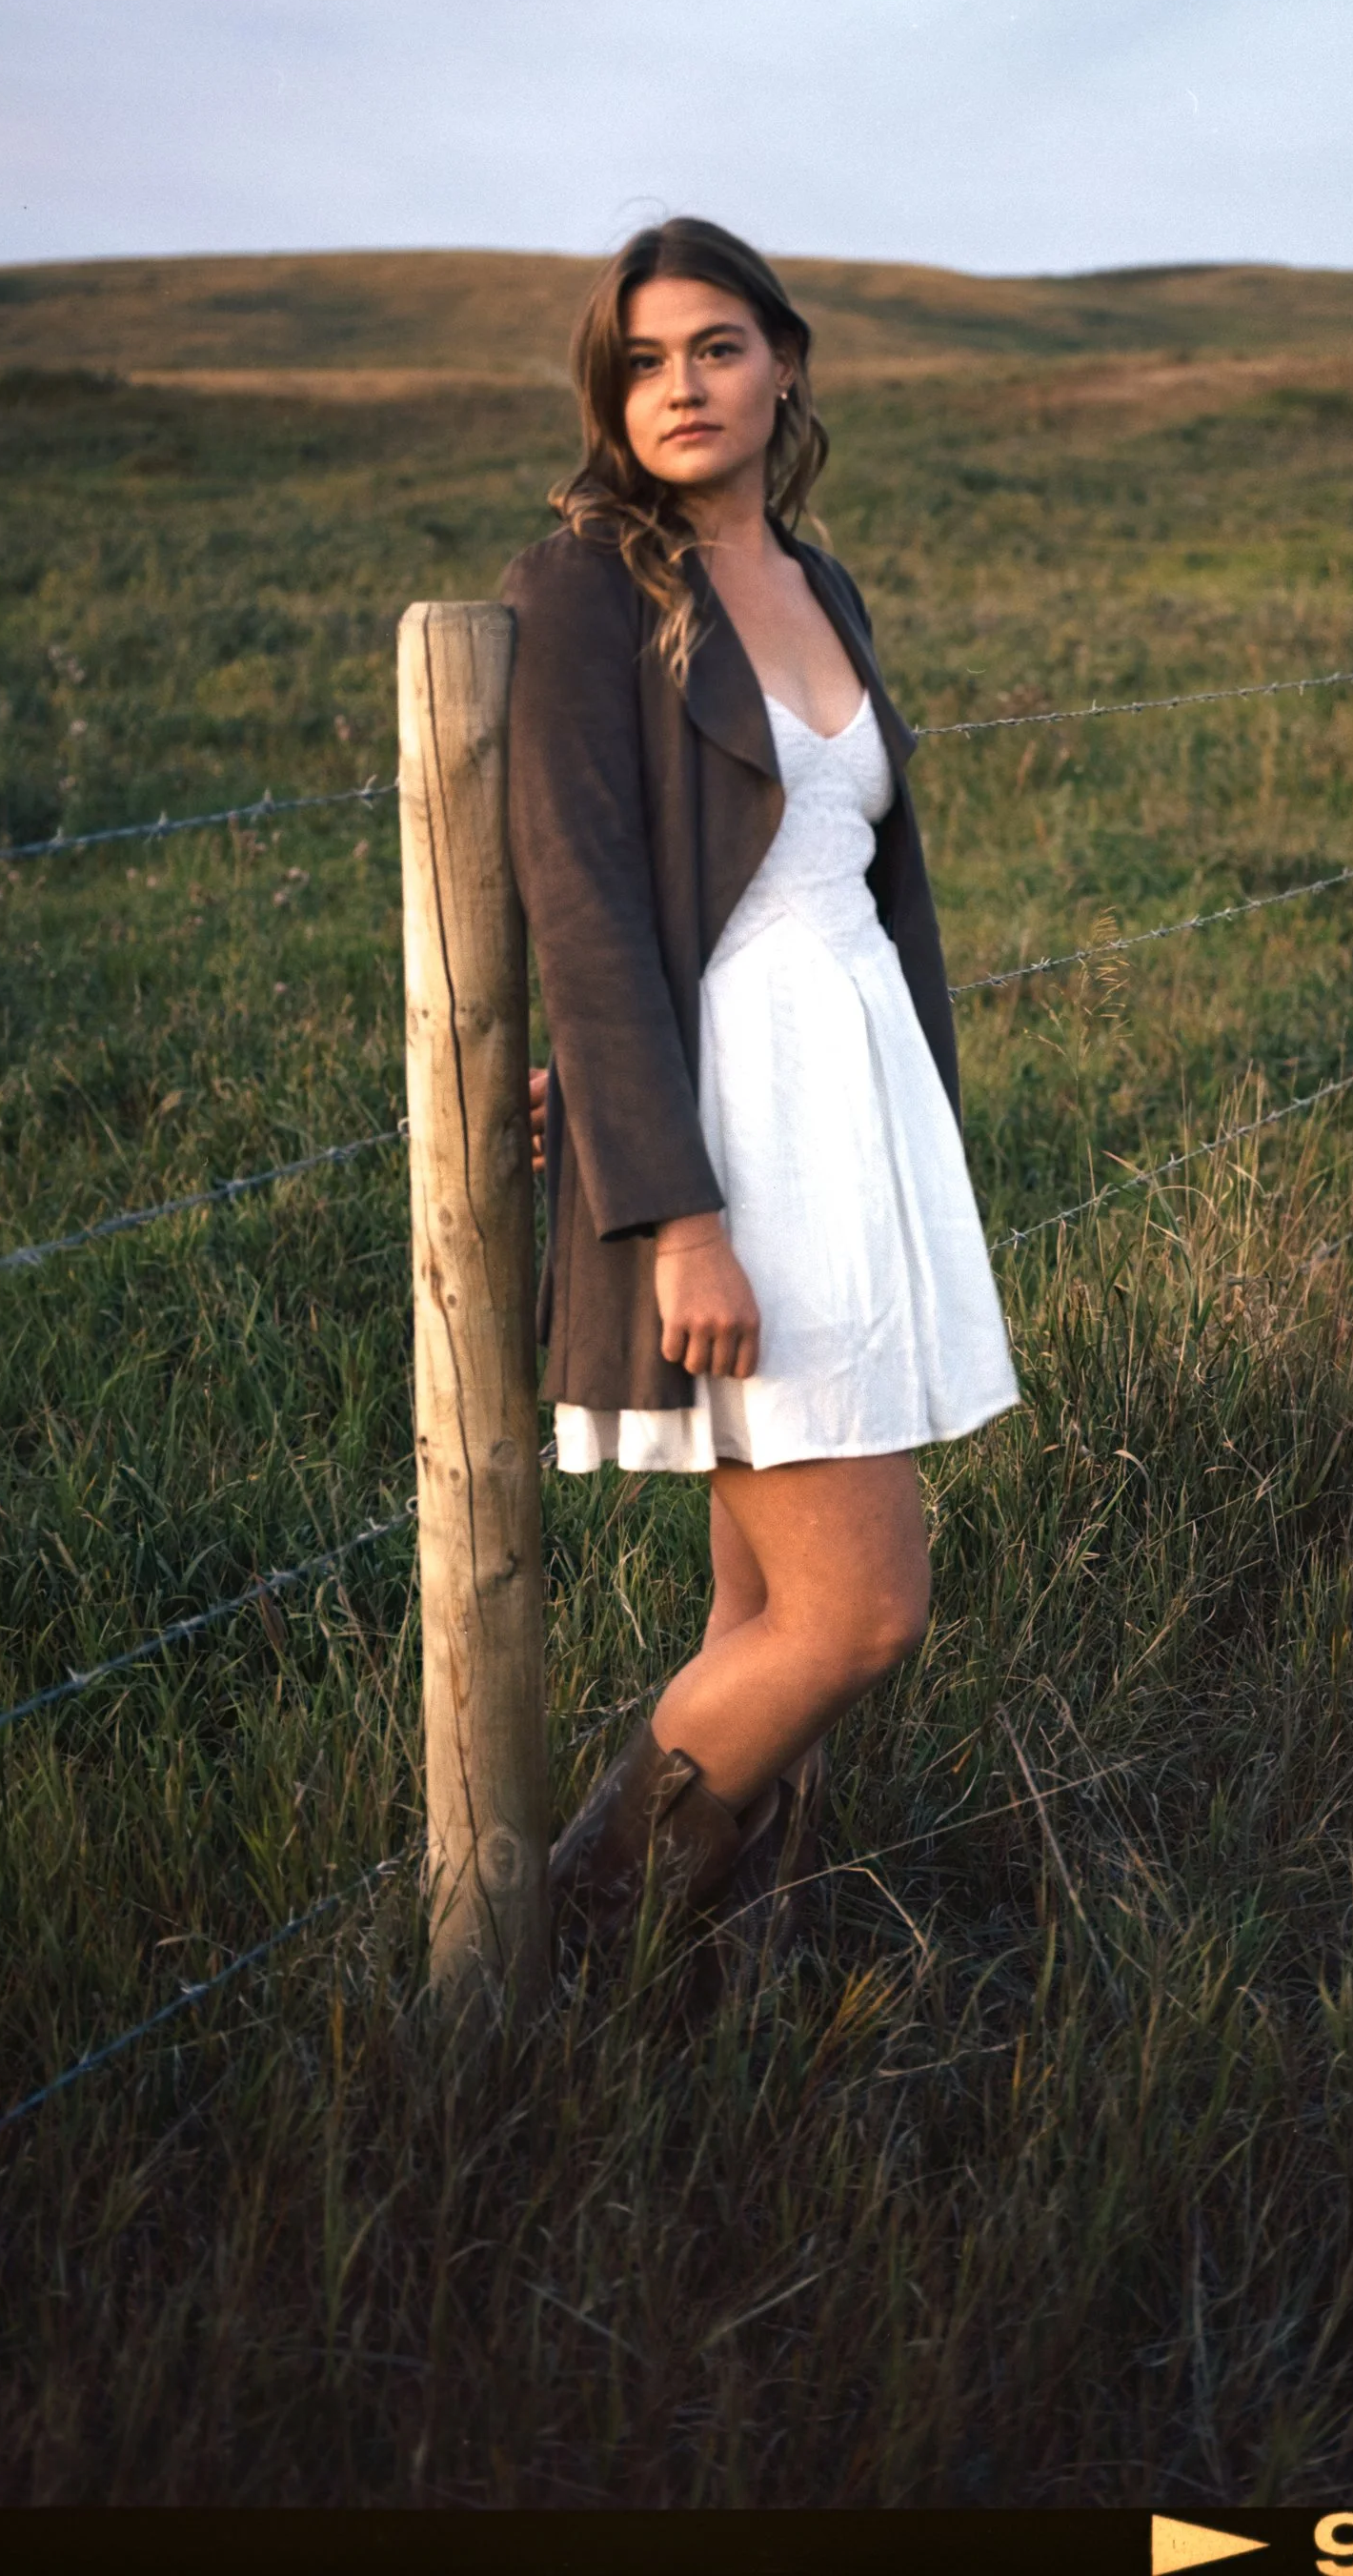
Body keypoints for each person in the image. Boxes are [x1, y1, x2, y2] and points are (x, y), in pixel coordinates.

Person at [500, 216, 1019, 1981]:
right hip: (737, 1118)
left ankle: (711, 1962)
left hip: (858, 1097)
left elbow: (868, 870)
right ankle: (559, 1929)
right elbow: (577, 900)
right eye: (643, 361)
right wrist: (681, 1213)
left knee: (765, 1605)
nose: (681, 387)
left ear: (781, 360)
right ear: (609, 391)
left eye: (714, 347)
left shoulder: (820, 577)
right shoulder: (581, 585)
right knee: (862, 1611)